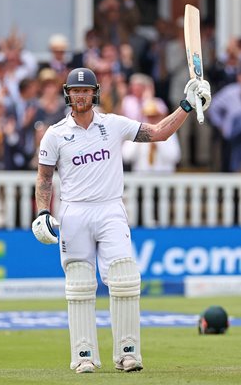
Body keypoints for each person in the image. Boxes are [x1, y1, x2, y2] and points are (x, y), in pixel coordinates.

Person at [31, 67, 211, 374]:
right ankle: (83, 355)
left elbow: (158, 133)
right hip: (75, 212)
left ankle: (128, 354)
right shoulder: (55, 134)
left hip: (110, 208)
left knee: (126, 279)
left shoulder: (112, 125)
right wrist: (42, 212)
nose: (81, 95)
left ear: (95, 92)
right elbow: (44, 178)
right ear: (67, 94)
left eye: (86, 90)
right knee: (79, 284)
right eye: (75, 91)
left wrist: (187, 105)